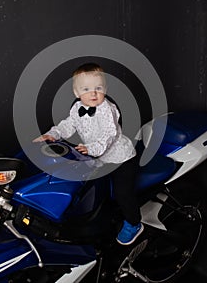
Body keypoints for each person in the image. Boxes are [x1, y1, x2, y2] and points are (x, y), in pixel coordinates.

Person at [33, 63, 143, 245]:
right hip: (99, 160)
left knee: (123, 193)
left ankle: (134, 223)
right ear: (77, 93)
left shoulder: (108, 109)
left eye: (98, 88)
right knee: (93, 190)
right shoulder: (77, 108)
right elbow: (68, 124)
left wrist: (91, 149)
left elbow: (110, 135)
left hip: (121, 159)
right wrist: (52, 134)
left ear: (105, 89)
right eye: (86, 89)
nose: (93, 93)